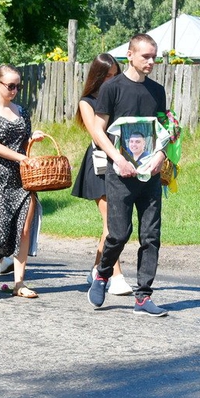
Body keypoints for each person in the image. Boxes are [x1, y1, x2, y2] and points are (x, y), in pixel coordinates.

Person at [87, 34, 171, 317]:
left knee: (151, 236)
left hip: (149, 175)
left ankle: (143, 296)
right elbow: (99, 129)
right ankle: (102, 274)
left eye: (154, 56)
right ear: (130, 55)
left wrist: (161, 154)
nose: (151, 61)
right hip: (120, 173)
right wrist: (118, 159)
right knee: (119, 234)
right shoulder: (112, 88)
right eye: (146, 56)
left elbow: (164, 128)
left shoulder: (157, 90)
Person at [0, 65, 45, 297]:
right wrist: (21, 157)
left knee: (24, 229)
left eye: (18, 86)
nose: (15, 90)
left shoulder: (22, 111)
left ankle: (19, 283)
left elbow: (25, 142)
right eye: (11, 86)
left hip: (24, 177)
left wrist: (32, 139)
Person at [71, 53, 133, 295]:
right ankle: (115, 275)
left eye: (115, 75)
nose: (111, 79)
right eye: (106, 75)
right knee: (112, 222)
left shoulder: (119, 94)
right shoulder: (87, 101)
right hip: (99, 162)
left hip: (122, 159)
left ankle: (98, 269)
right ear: (97, 77)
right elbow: (97, 133)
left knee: (114, 222)